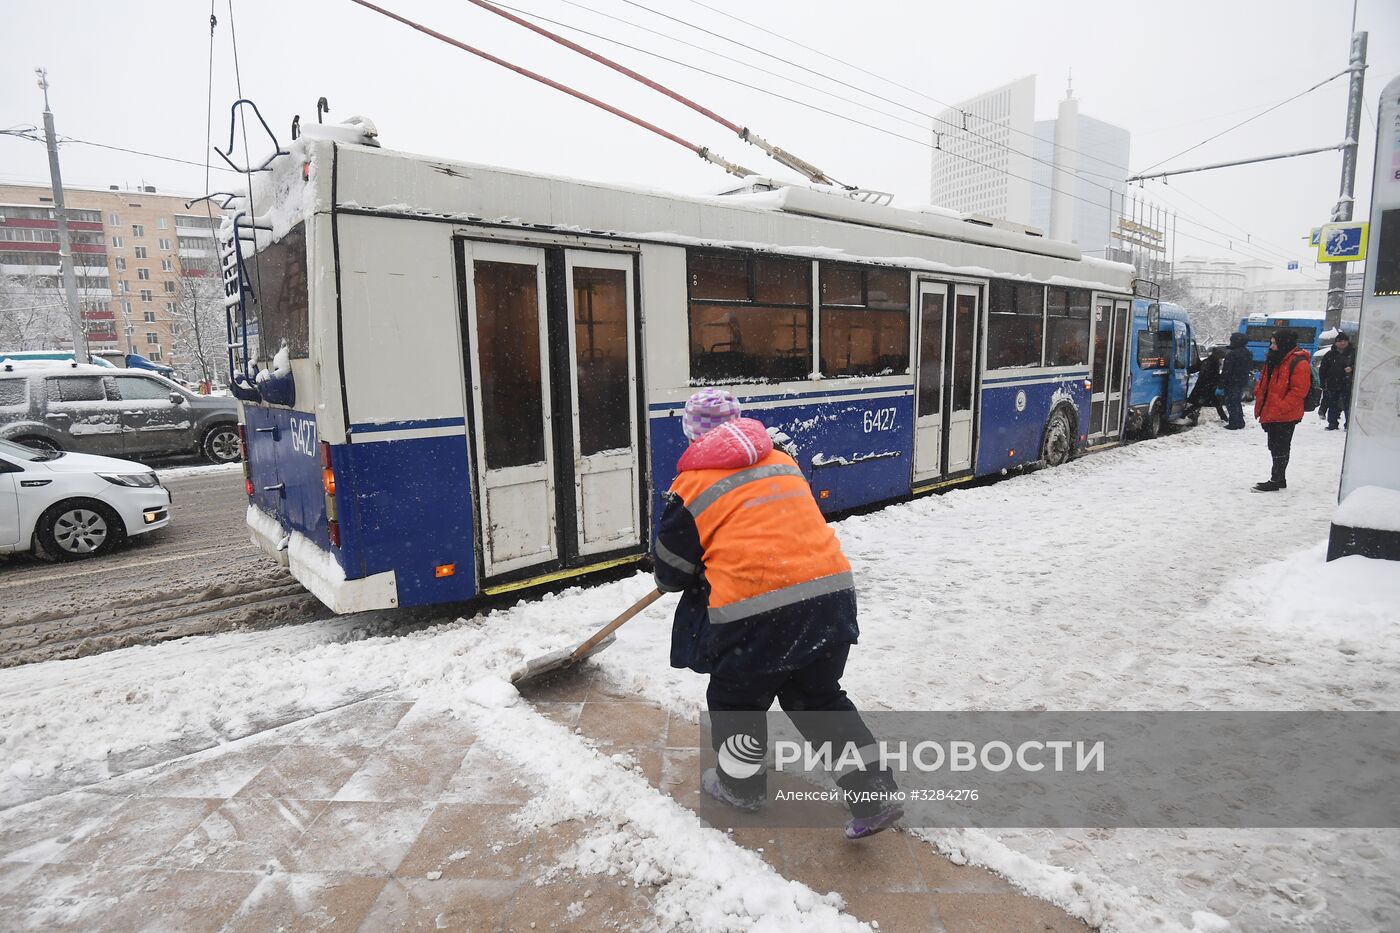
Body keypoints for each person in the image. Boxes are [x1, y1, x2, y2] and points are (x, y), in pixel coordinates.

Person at [653, 389, 902, 839]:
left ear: (691, 434)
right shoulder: (783, 461)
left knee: (736, 702)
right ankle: (874, 792)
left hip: (757, 611)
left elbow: (671, 575)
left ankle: (741, 789)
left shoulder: (689, 487)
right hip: (829, 595)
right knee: (818, 699)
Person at [1251, 329, 1311, 492]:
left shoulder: (1298, 362)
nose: (1271, 346)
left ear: (1284, 343)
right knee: (1274, 446)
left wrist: (1281, 407)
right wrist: (1258, 391)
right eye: (1271, 343)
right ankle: (1280, 478)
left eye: (1274, 343)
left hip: (1285, 414)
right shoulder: (1275, 359)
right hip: (1271, 411)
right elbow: (1265, 380)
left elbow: (1299, 391)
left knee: (1280, 447)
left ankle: (1276, 480)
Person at [1318, 332, 1355, 431]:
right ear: (1336, 343)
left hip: (1348, 383)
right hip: (1333, 383)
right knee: (1332, 404)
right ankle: (1332, 423)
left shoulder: (1353, 354)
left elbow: (1360, 366)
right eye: (1340, 341)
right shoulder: (1330, 354)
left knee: (1348, 405)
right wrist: (1323, 382)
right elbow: (1323, 369)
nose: (1343, 343)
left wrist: (1352, 368)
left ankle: (1348, 425)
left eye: (1345, 341)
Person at [1184, 347, 1228, 423]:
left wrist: (1186, 370)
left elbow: (1195, 368)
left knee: (1201, 403)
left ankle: (1224, 419)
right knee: (1207, 403)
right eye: (1221, 358)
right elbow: (1214, 376)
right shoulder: (1214, 364)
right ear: (1217, 356)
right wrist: (1222, 378)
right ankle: (1183, 414)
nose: (1221, 360)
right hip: (1209, 387)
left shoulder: (1206, 361)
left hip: (1202, 386)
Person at [1220, 332, 1253, 430]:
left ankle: (1234, 423)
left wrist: (1221, 384)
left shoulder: (1232, 354)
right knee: (1236, 401)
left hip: (1232, 381)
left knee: (1231, 402)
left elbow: (1227, 370)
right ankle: (1240, 421)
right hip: (1242, 381)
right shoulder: (1247, 353)